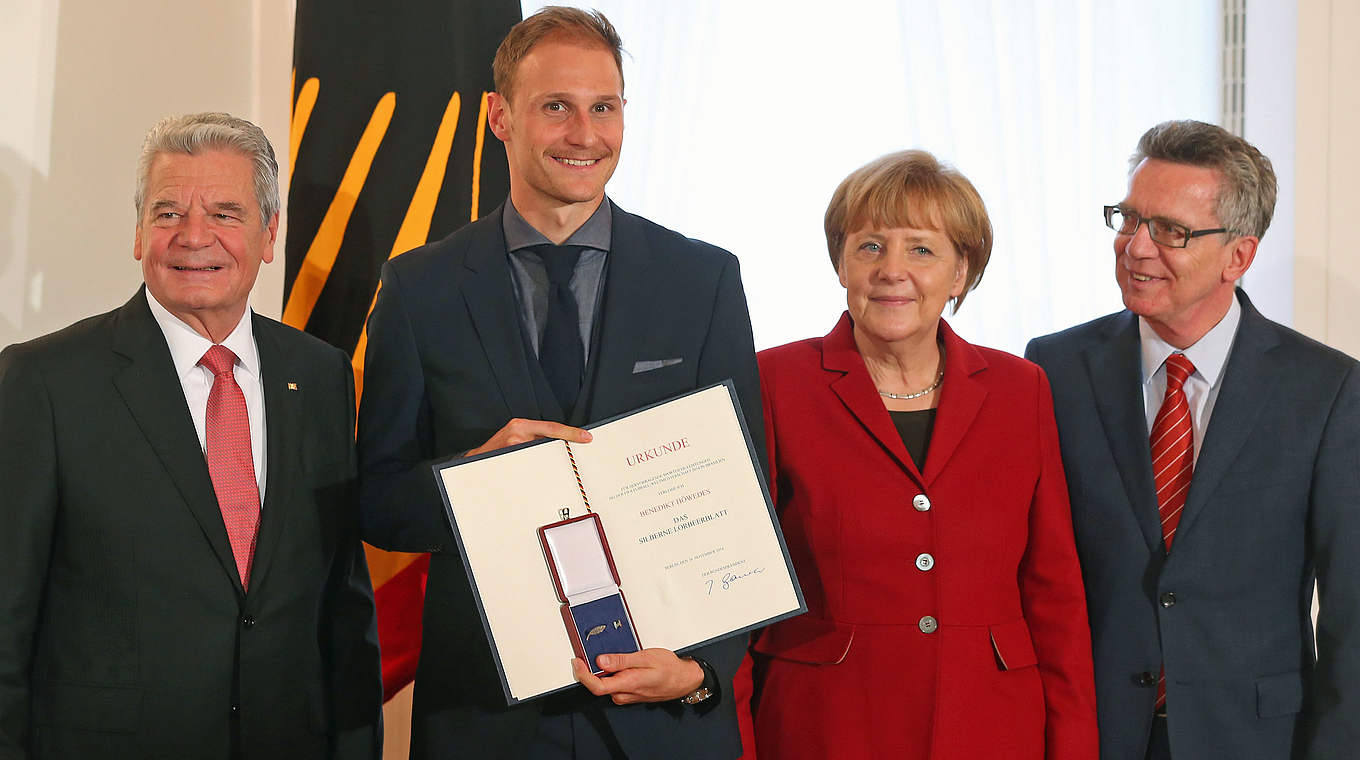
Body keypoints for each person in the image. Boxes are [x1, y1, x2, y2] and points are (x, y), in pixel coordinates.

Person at [357, 7, 762, 759]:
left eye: (603, 108)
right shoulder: (420, 289)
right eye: (556, 108)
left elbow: (743, 500)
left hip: (664, 721)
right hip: (485, 720)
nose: (585, 135)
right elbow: (378, 499)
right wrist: (470, 483)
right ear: (499, 117)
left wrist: (700, 673)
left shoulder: (702, 280)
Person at [0, 113, 382, 758]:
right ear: (139, 232)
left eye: (226, 214)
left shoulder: (320, 375)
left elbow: (341, 607)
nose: (192, 236)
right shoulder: (42, 382)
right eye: (168, 212)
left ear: (269, 234)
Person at [1025, 120, 1360, 760]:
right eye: (1128, 220)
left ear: (1239, 255)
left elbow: (1352, 615)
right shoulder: (1055, 368)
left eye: (1170, 231)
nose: (1136, 247)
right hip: (1090, 733)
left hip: (1256, 738)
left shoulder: (1326, 390)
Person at [752, 150, 1098, 759]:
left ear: (961, 273)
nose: (892, 270)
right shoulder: (776, 382)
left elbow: (1055, 595)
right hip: (826, 728)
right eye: (869, 246)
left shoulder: (1023, 390)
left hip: (991, 727)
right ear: (840, 262)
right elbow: (738, 587)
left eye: (921, 249)